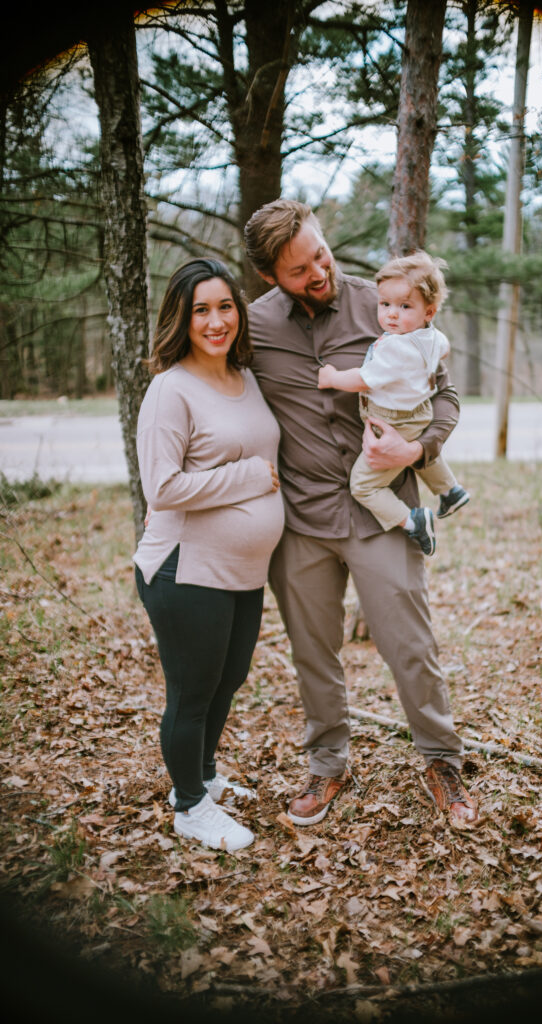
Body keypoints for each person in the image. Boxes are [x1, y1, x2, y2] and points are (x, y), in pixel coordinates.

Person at [244, 199, 478, 829]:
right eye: (298, 270)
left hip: (383, 510)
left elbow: (446, 396)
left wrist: (418, 448)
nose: (318, 272)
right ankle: (328, 765)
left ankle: (441, 760)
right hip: (301, 519)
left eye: (319, 254)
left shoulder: (388, 304)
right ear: (270, 276)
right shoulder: (254, 326)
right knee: (312, 651)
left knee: (410, 643)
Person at [133, 258, 285, 852]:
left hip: (242, 570)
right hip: (184, 566)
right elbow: (163, 489)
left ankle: (203, 776)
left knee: (229, 678)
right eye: (202, 309)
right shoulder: (171, 388)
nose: (216, 320)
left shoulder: (245, 378)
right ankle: (190, 807)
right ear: (182, 318)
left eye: (226, 306)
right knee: (193, 691)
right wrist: (247, 476)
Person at [317, 250, 469, 557]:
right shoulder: (431, 336)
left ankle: (412, 521)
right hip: (419, 412)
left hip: (390, 418)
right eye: (385, 304)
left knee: (363, 485)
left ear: (429, 311)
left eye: (404, 306)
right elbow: (445, 348)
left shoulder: (396, 348)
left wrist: (332, 378)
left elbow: (363, 379)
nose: (392, 314)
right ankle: (450, 491)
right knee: (416, 447)